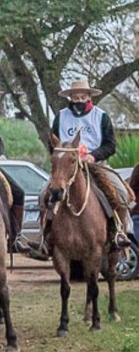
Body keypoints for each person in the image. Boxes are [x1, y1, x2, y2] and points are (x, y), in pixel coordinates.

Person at [53, 79, 131, 252]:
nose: (79, 100)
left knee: (121, 193)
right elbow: (53, 143)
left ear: (89, 97)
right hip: (67, 167)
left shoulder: (101, 116)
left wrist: (93, 156)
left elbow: (110, 145)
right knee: (45, 196)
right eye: (75, 97)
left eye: (82, 97)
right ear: (70, 98)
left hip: (96, 165)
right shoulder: (61, 117)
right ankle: (46, 238)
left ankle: (120, 232)